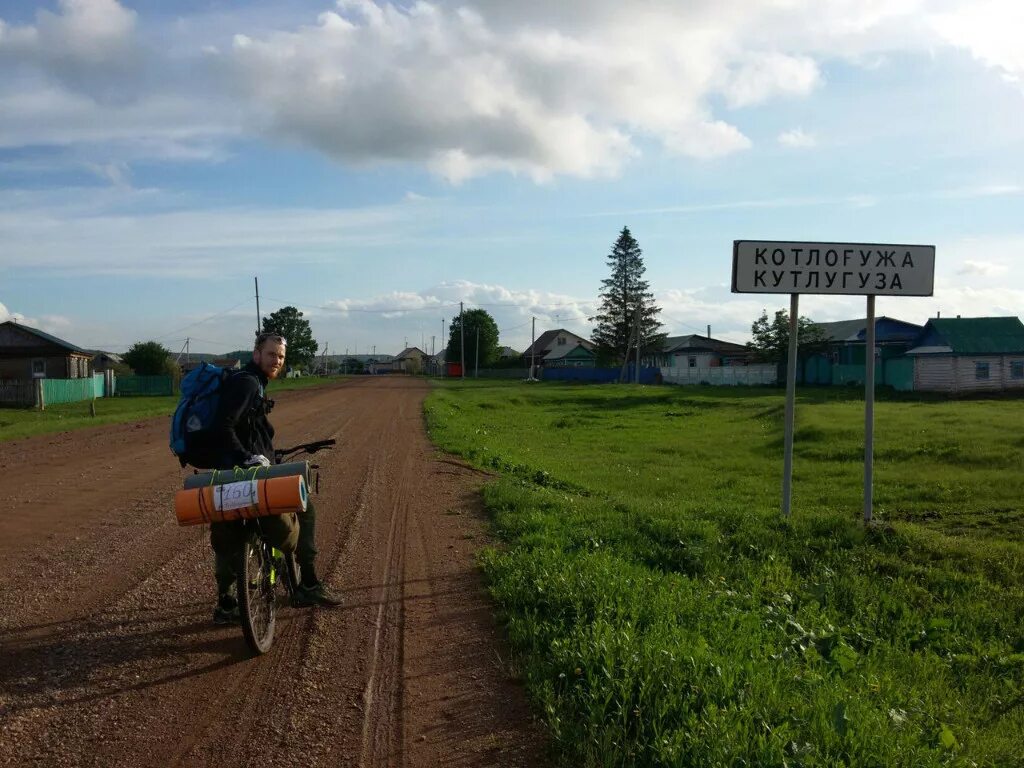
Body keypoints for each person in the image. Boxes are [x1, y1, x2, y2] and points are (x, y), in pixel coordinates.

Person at [209, 331, 341, 624]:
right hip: (246, 471)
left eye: (280, 356)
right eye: (271, 354)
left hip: (229, 472)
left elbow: (245, 430)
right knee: (305, 505)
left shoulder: (249, 382)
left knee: (227, 530)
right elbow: (224, 425)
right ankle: (308, 584)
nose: (276, 360)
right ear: (256, 354)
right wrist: (248, 456)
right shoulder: (247, 383)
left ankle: (226, 603)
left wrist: (263, 451)